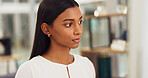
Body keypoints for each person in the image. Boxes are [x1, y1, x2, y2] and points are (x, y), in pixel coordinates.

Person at [15, 0, 96, 78]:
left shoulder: (86, 65)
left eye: (80, 22)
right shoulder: (30, 71)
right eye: (68, 24)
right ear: (46, 29)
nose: (78, 31)